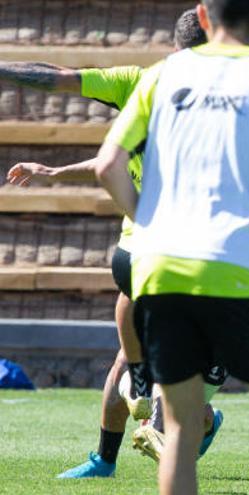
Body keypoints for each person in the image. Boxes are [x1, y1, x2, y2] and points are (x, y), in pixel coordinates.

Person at [93, 0, 249, 493]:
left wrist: (148, 219)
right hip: (236, 275)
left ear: (203, 18)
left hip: (160, 274)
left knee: (179, 429)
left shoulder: (162, 75)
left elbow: (106, 166)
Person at [2, 9, 225, 477]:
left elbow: (58, 82)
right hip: (148, 246)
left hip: (204, 259)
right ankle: (105, 458)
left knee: (176, 385)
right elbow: (68, 91)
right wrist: (57, 172)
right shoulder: (144, 82)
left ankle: (189, 426)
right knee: (130, 351)